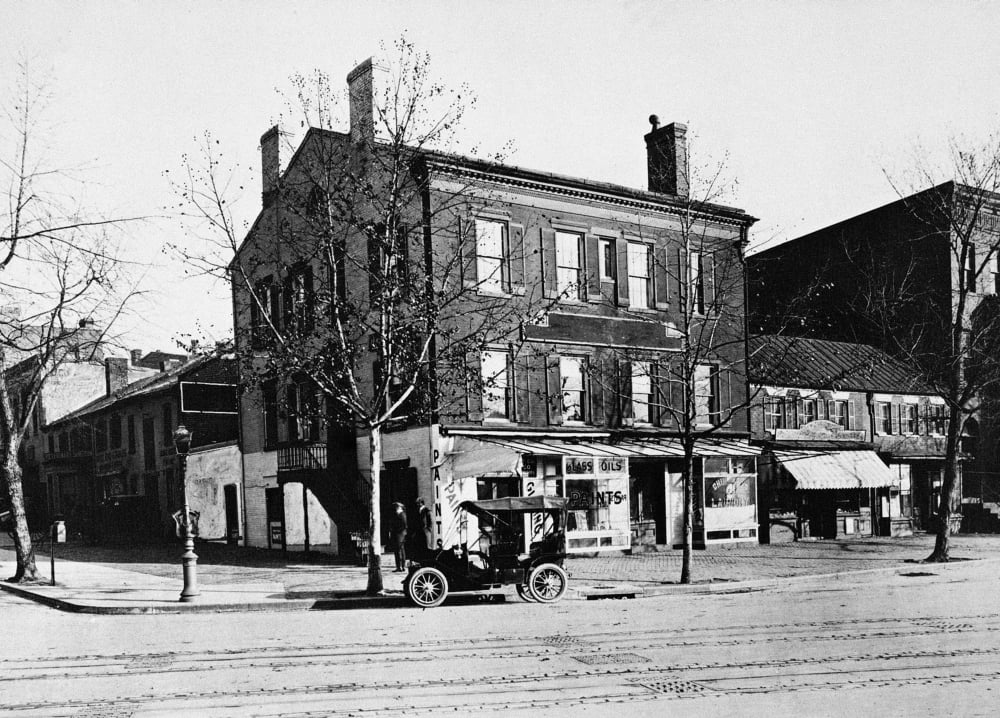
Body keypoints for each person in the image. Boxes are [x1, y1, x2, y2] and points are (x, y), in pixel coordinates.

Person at [388, 502, 408, 572]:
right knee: (400, 550)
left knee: (399, 550)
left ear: (399, 508)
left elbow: (403, 525)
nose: (396, 509)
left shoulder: (402, 515)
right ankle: (401, 566)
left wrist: (395, 531)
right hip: (399, 534)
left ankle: (400, 567)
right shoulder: (399, 514)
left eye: (396, 508)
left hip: (400, 534)